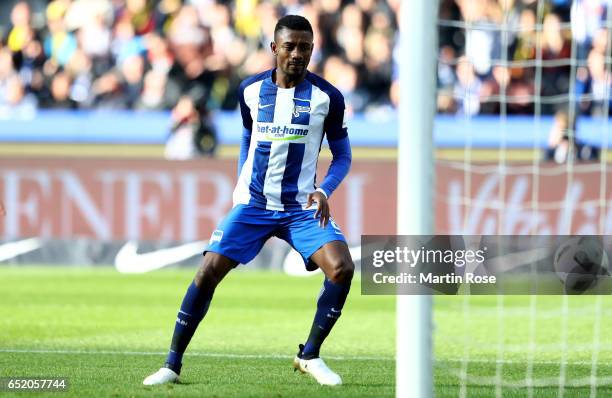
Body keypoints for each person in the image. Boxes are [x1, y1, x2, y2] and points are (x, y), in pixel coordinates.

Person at [143, 15, 354, 386]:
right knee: (207, 272)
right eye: (289, 46)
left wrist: (324, 190)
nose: (297, 54)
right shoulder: (250, 91)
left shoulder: (328, 98)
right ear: (274, 48)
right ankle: (171, 365)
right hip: (254, 204)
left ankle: (310, 355)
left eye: (305, 47)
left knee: (342, 268)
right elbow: (248, 135)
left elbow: (343, 156)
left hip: (300, 208)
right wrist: (242, 181)